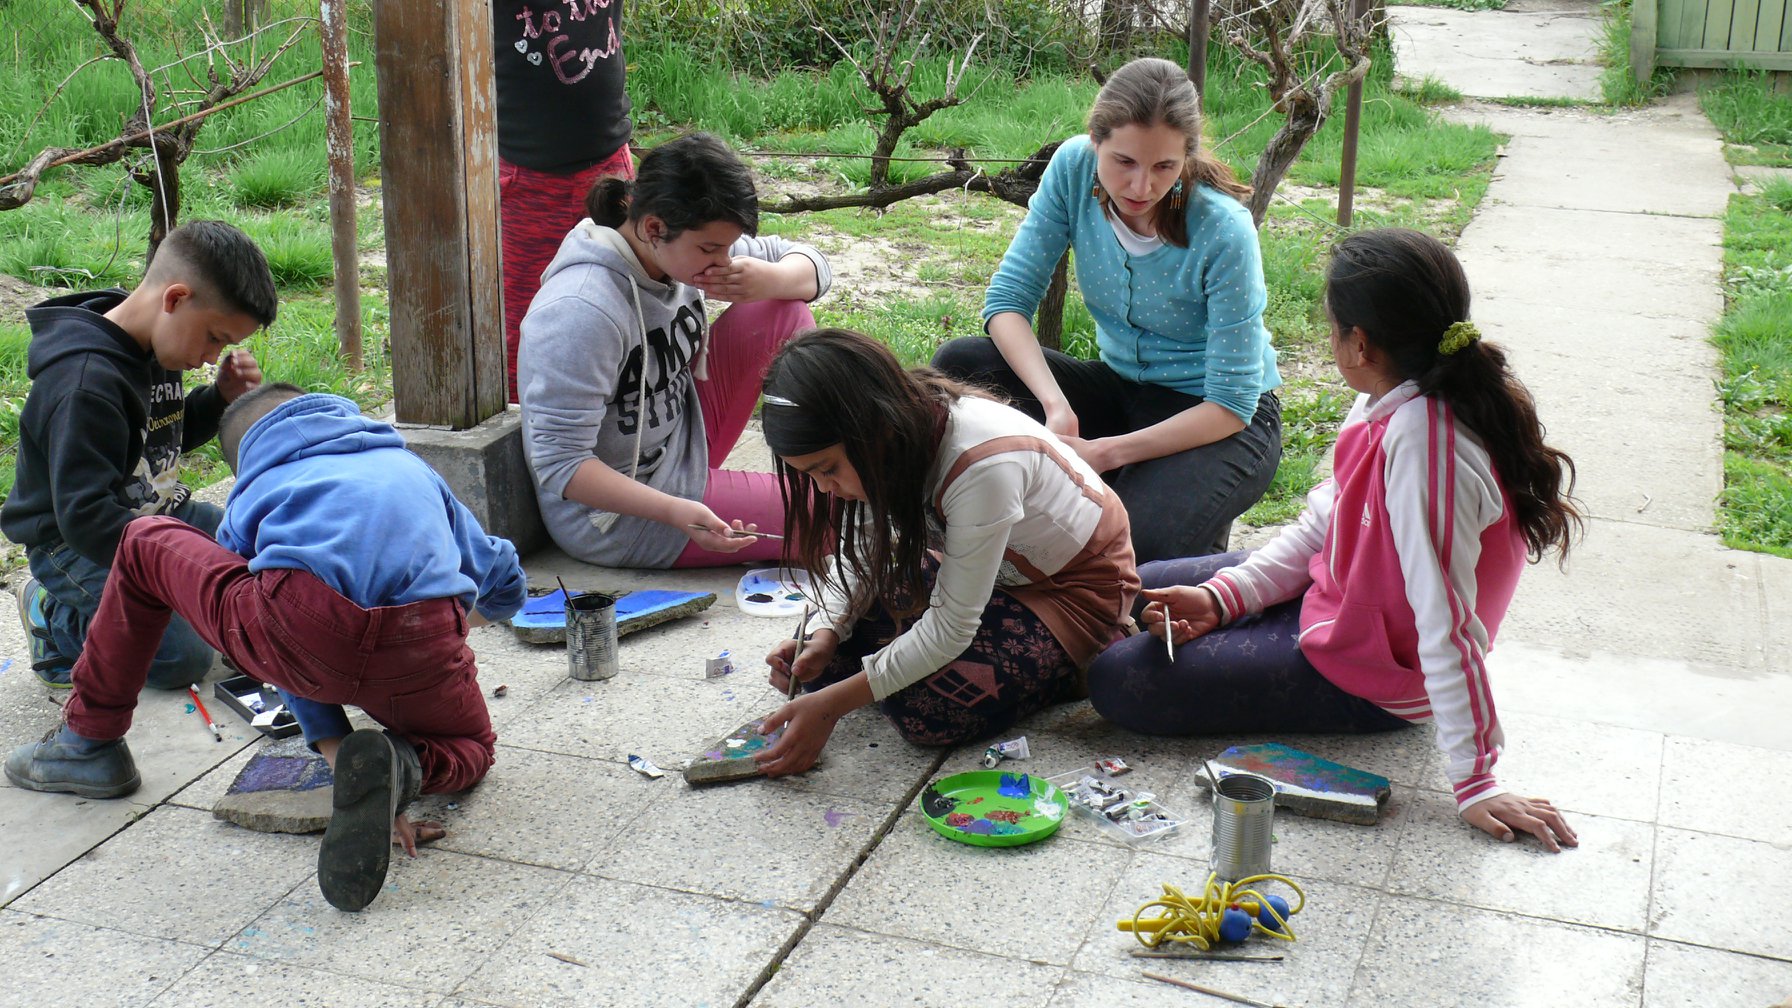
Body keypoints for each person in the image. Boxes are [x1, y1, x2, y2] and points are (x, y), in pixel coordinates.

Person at [1087, 228, 1583, 852]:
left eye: (1331, 328)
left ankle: (1055, 653)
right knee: (1132, 585)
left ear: (1360, 343)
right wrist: (1223, 599)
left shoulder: (1428, 450)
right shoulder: (1386, 398)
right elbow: (1323, 528)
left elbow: (1447, 622)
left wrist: (1476, 780)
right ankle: (1064, 636)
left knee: (1118, 679)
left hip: (1377, 672)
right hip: (1341, 594)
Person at [4, 383, 528, 912]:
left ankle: (90, 739)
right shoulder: (412, 469)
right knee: (473, 748)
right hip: (424, 636)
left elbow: (276, 628)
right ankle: (407, 764)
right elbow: (503, 573)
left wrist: (333, 744)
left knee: (146, 540)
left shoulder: (256, 491)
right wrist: (466, 618)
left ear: (246, 457)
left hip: (299, 625)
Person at [932, 56, 1283, 565]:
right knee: (962, 364)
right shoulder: (1073, 169)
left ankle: (1195, 552)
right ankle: (976, 525)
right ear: (1095, 141)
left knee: (1121, 552)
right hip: (1121, 388)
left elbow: (1232, 403)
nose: (1142, 187)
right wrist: (1056, 406)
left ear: (1186, 155)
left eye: (1165, 166)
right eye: (1124, 162)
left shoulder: (1223, 228)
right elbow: (1007, 303)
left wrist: (1106, 453)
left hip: (1220, 418)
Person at [749, 329, 1139, 777]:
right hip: (985, 570)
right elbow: (859, 549)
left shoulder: (982, 464)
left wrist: (831, 706)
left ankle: (1080, 661)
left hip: (1071, 592)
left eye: (827, 470)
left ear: (873, 429)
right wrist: (826, 631)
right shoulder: (892, 437)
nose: (823, 488)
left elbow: (951, 628)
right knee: (829, 664)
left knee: (924, 712)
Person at [518, 132, 833, 569]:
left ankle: (819, 461)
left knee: (783, 305)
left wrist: (767, 281)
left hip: (682, 437)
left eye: (727, 247)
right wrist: (673, 511)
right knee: (836, 517)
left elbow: (813, 264)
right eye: (711, 250)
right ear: (653, 228)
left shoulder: (681, 243)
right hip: (623, 513)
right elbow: (561, 466)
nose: (723, 260)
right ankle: (807, 487)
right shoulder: (580, 309)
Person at [1, 220, 272, 691]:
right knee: (180, 658)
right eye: (214, 337)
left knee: (257, 542)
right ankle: (54, 618)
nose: (213, 356)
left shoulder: (158, 344)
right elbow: (85, 516)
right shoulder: (85, 384)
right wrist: (181, 566)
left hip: (155, 513)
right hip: (74, 543)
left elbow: (159, 439)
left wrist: (219, 398)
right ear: (174, 298)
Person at [496, 0, 634, 403]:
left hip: (611, 167)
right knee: (519, 327)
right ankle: (526, 442)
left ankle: (620, 428)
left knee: (626, 302)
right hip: (526, 179)